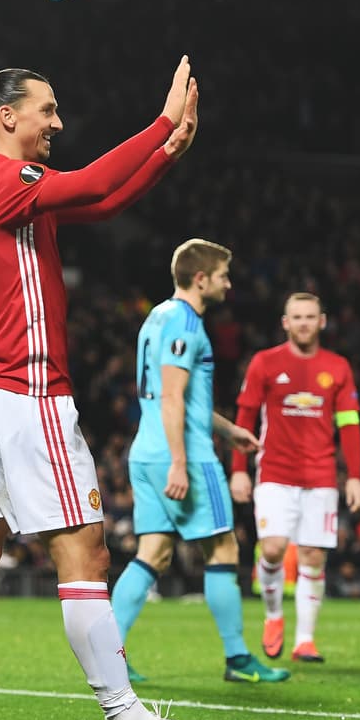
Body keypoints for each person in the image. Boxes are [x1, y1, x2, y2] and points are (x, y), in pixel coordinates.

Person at [0, 57, 224, 720]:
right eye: (47, 110)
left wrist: (165, 155)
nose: (58, 123)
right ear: (7, 117)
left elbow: (99, 205)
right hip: (24, 393)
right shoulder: (8, 178)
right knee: (85, 553)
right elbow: (96, 182)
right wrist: (162, 123)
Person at [115, 240, 288, 685]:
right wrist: (180, 462)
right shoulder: (186, 324)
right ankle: (237, 658)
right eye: (224, 276)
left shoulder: (156, 318)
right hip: (185, 457)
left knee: (152, 552)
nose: (229, 285)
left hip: (146, 452)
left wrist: (228, 431)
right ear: (200, 278)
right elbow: (172, 396)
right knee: (224, 548)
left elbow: (177, 396)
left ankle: (107, 656)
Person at [228, 293, 360, 664]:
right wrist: (238, 470)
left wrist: (354, 476)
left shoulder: (337, 367)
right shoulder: (266, 362)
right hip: (274, 472)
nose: (303, 323)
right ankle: (273, 616)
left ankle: (304, 639)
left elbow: (349, 424)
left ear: (322, 321)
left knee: (313, 556)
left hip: (320, 475)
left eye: (310, 316)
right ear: (285, 323)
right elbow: (245, 419)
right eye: (296, 317)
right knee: (272, 548)